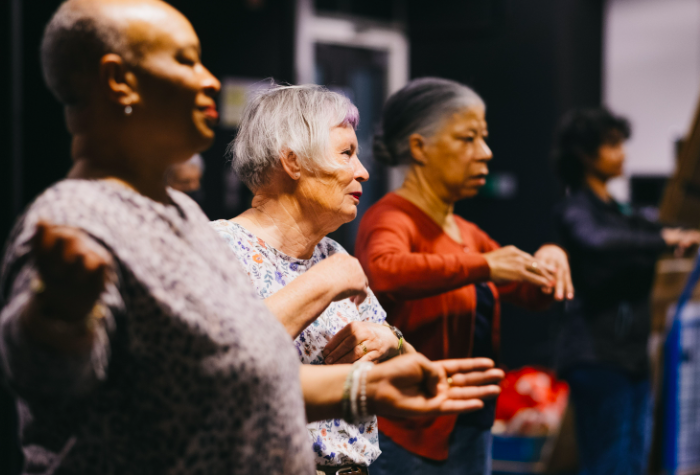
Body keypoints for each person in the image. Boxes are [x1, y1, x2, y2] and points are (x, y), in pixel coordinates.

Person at [0, 3, 504, 474]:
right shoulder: (82, 216)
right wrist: (58, 318)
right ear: (118, 81)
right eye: (185, 60)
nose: (208, 80)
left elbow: (225, 374)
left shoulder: (177, 218)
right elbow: (55, 379)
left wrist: (369, 379)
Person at [212, 84, 465, 475]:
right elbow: (220, 363)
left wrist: (393, 343)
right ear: (292, 162)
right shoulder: (217, 247)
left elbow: (412, 383)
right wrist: (322, 283)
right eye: (346, 153)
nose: (362, 170)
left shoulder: (333, 255)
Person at [355, 77, 574, 475]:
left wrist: (551, 259)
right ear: (420, 147)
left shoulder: (466, 232)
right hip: (407, 431)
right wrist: (484, 265)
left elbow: (531, 294)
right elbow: (386, 272)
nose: (485, 153)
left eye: (483, 138)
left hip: (469, 425)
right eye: (467, 138)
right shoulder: (391, 217)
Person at [551, 107, 700, 475]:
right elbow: (597, 240)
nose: (623, 154)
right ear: (586, 155)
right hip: (597, 354)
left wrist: (675, 236)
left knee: (634, 458)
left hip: (632, 356)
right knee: (607, 462)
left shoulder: (621, 210)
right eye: (612, 145)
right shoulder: (576, 210)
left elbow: (652, 229)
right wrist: (664, 239)